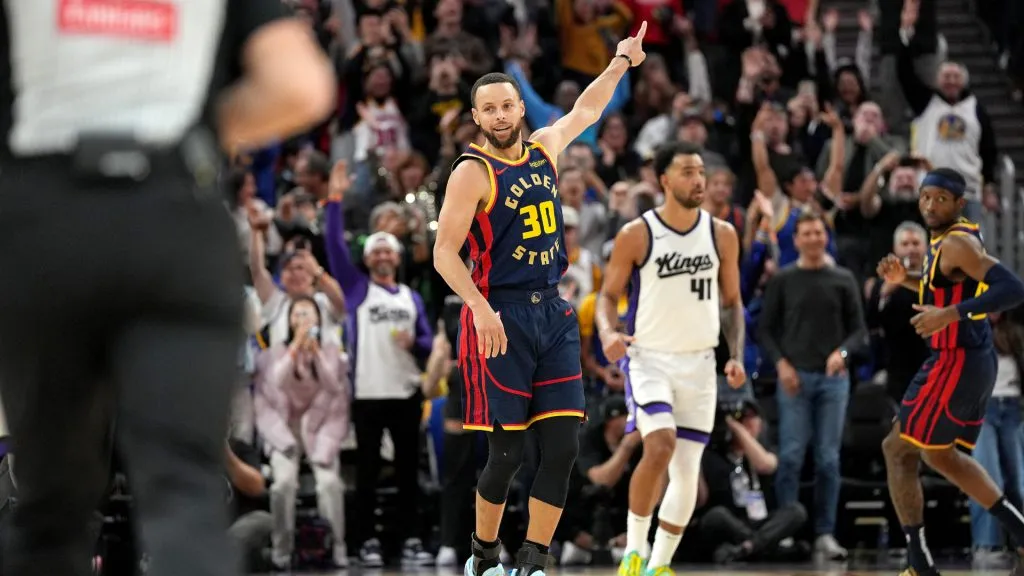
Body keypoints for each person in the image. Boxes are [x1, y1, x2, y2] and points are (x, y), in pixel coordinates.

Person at [0, 2, 335, 576]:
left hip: (47, 218)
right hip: (175, 212)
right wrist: (193, 131)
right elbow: (302, 86)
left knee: (49, 508)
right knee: (185, 495)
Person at [432, 22, 649, 576]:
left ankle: (531, 563)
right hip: (497, 314)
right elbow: (443, 253)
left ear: (519, 110)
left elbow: (586, 111)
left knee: (563, 449)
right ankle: (482, 560)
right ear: (477, 118)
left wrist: (622, 61)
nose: (503, 115)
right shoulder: (471, 172)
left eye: (509, 105)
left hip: (551, 310)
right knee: (504, 456)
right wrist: (479, 308)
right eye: (491, 109)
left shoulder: (545, 148)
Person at [598, 140, 747, 576]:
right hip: (650, 360)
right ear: (664, 180)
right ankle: (634, 550)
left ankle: (659, 565)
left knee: (686, 469)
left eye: (700, 171)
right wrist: (608, 332)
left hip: (700, 363)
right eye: (687, 172)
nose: (698, 180)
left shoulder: (723, 234)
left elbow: (733, 303)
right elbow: (607, 296)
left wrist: (733, 356)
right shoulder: (637, 234)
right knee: (659, 445)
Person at [877, 167, 1024, 576]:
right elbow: (942, 288)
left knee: (897, 449)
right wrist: (903, 278)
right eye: (925, 197)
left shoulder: (957, 242)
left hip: (956, 359)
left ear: (960, 203)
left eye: (940, 198)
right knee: (941, 456)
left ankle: (919, 565)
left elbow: (1013, 289)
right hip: (963, 359)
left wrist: (951, 314)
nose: (929, 205)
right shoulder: (943, 241)